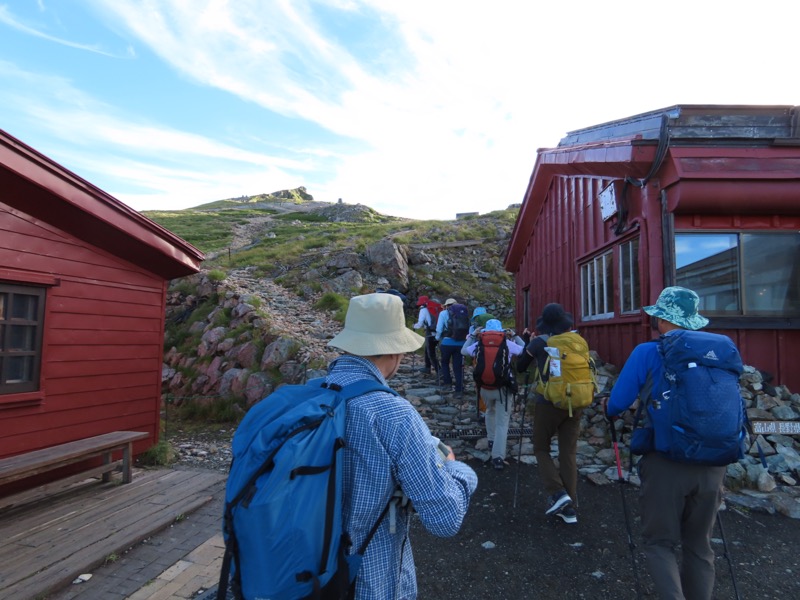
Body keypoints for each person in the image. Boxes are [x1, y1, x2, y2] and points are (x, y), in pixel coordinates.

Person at [326, 293, 478, 599]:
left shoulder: (313, 392)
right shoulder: (392, 413)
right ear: (394, 351)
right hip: (367, 582)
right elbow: (445, 518)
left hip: (306, 576)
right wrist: (455, 467)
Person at [605, 286, 728, 600]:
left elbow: (618, 402)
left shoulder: (648, 352)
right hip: (713, 462)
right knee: (699, 546)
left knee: (661, 543)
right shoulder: (719, 352)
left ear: (661, 319)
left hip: (665, 460)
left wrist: (610, 410)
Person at [516, 303, 582, 524]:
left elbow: (520, 367)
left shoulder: (539, 342)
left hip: (549, 402)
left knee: (541, 447)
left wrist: (528, 342)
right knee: (568, 452)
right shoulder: (577, 341)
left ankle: (557, 493)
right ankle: (569, 505)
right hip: (576, 401)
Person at [463, 319, 523, 470]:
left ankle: (490, 440)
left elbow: (463, 351)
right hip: (503, 389)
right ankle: (498, 457)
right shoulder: (506, 343)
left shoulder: (479, 343)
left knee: (489, 411)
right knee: (502, 423)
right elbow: (523, 349)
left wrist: (472, 335)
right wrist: (514, 335)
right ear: (501, 331)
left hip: (484, 387)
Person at [435, 298, 468, 400]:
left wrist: (437, 338)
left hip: (447, 342)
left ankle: (448, 383)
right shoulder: (463, 313)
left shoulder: (443, 313)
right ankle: (459, 390)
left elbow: (439, 329)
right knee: (458, 366)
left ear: (446, 306)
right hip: (461, 343)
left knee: (445, 362)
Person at [412, 295, 439, 376]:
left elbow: (420, 323)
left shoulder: (423, 310)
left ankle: (439, 371)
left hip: (430, 332)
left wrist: (414, 326)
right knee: (428, 350)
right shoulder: (435, 309)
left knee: (431, 353)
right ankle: (427, 367)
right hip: (437, 332)